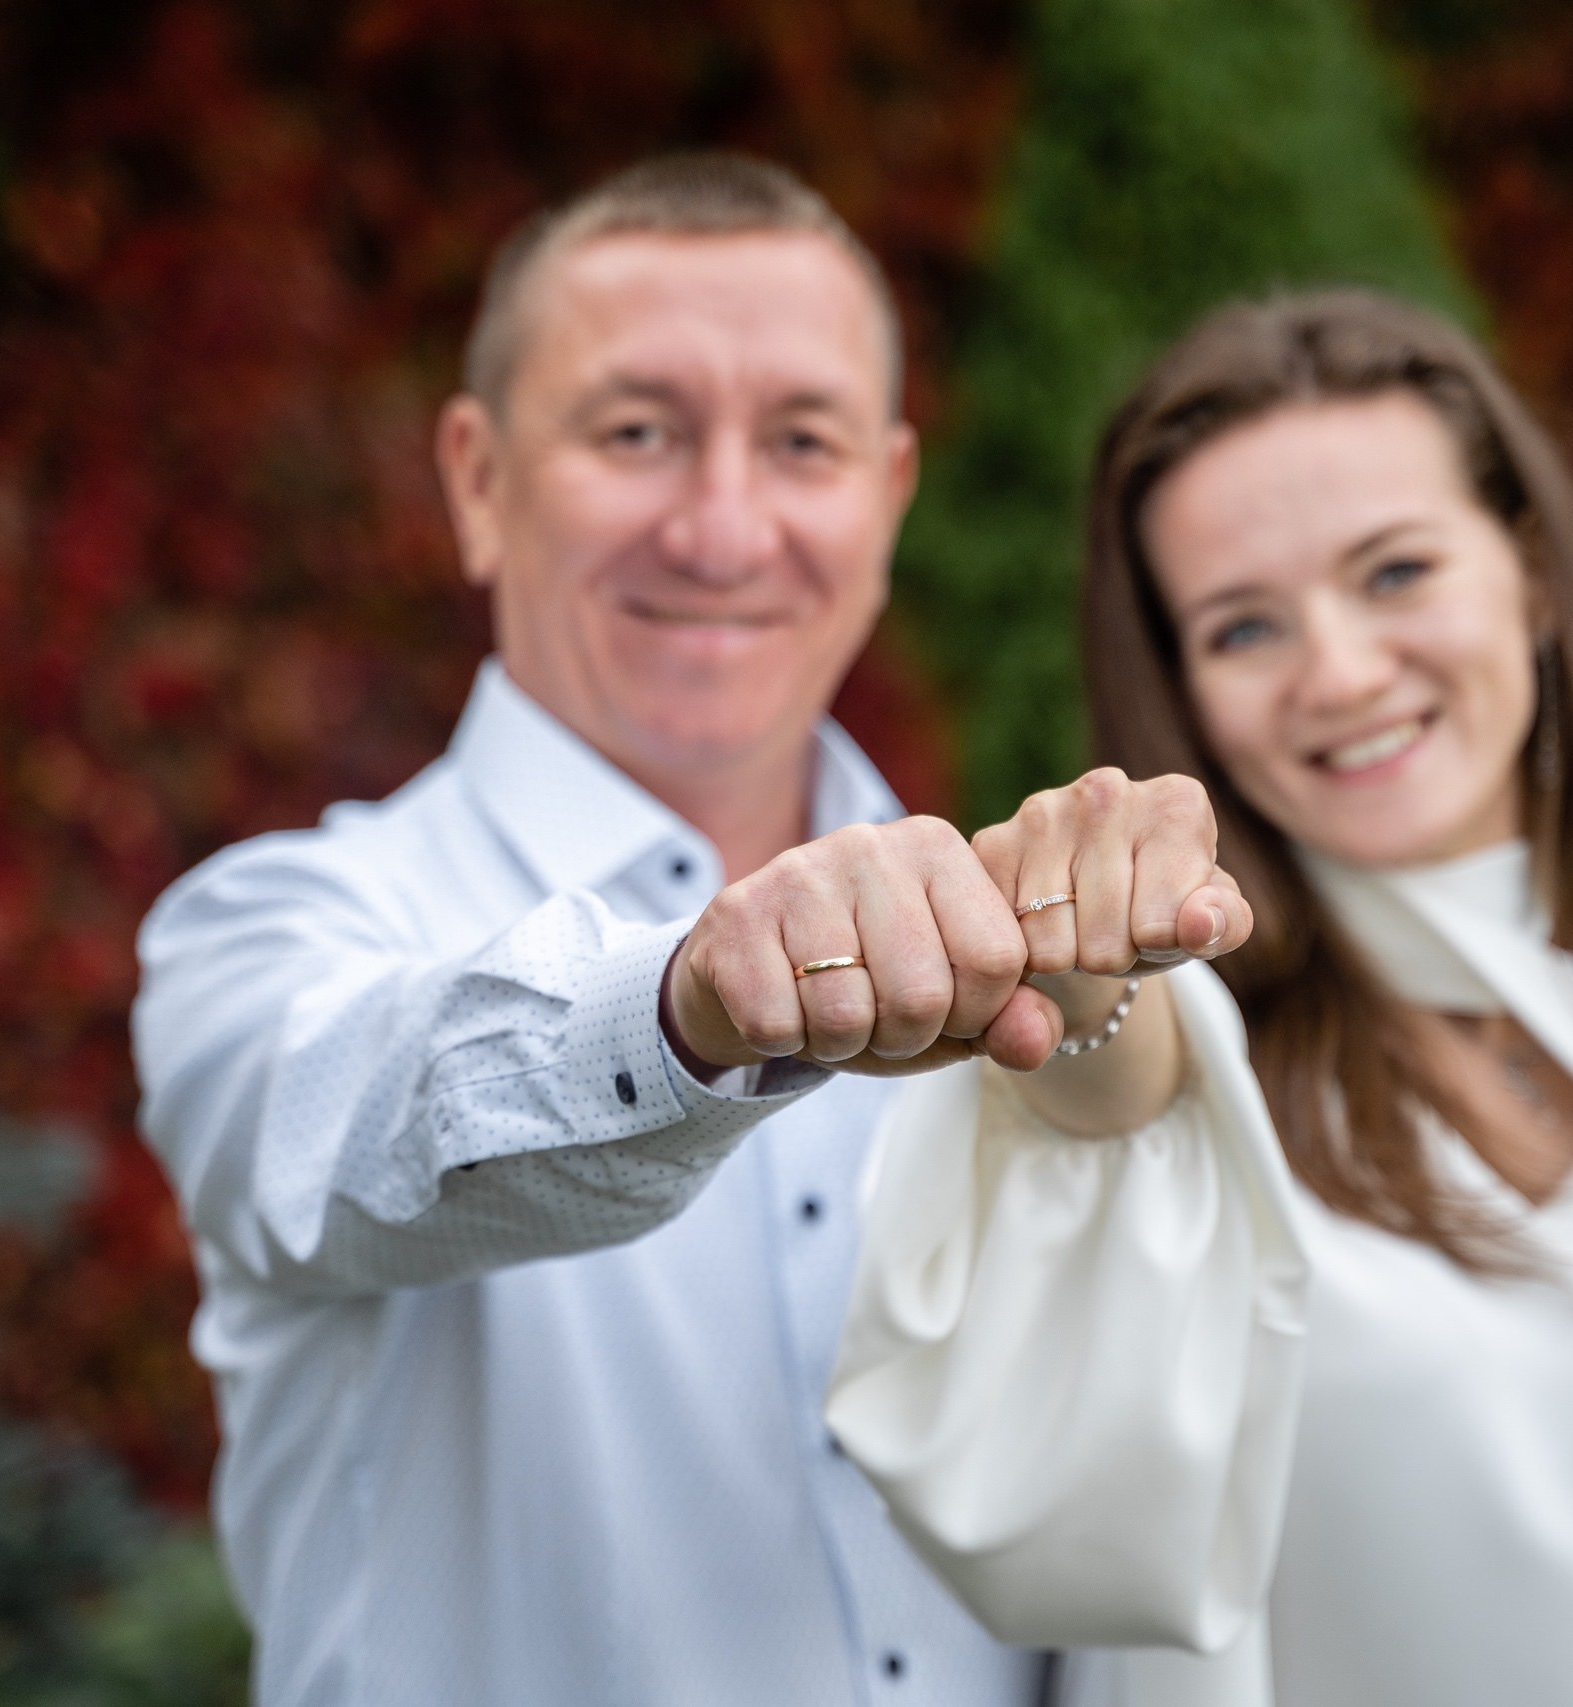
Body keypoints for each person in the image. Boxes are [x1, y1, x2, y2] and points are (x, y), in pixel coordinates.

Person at [827, 289, 1573, 1707]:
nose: (1340, 673)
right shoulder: (1195, 1092)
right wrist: (1087, 1004)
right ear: (1177, 690)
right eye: (1242, 630)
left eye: (1396, 572)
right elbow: (1108, 1102)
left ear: (1530, 576)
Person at [131, 153, 1247, 1706]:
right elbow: (354, 1123)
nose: (723, 530)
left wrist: (1112, 1022)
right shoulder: (271, 932)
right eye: (638, 433)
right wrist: (686, 1014)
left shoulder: (1019, 924)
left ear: (889, 495)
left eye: (801, 442)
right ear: (477, 478)